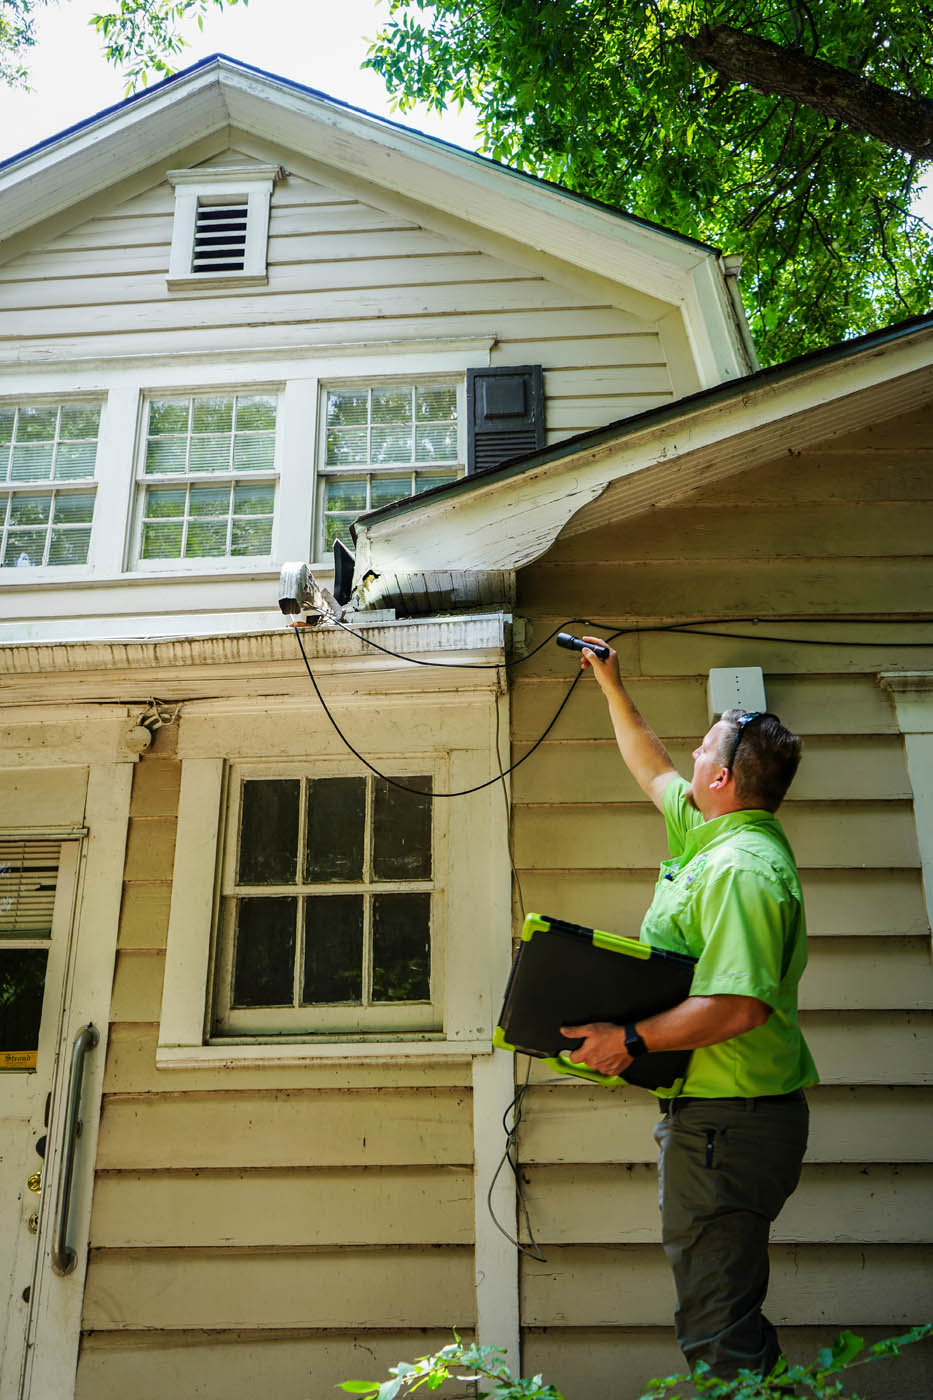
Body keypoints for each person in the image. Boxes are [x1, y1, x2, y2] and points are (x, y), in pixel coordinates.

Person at [561, 638, 818, 1381]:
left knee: (717, 1329)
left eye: (702, 746)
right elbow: (651, 767)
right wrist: (610, 685)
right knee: (720, 1317)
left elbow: (738, 1007)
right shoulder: (712, 833)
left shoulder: (742, 869)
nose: (689, 757)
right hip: (719, 1117)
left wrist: (627, 1041)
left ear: (723, 776)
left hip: (730, 1124)